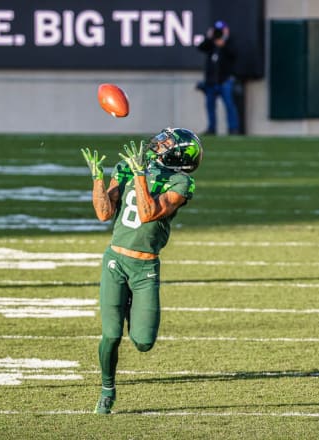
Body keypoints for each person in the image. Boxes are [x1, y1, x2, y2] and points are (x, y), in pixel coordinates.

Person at [81, 127, 203, 414]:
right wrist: (98, 179)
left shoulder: (181, 182)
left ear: (178, 155)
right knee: (111, 335)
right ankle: (107, 389)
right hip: (115, 262)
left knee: (144, 342)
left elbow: (148, 213)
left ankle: (133, 304)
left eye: (166, 144)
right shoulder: (127, 167)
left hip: (145, 266)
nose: (158, 145)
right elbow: (103, 213)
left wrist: (139, 177)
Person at [197, 20, 240, 135]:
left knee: (229, 105)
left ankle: (233, 128)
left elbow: (235, 54)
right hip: (211, 81)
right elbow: (200, 47)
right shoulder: (210, 44)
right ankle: (212, 128)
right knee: (210, 106)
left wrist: (224, 43)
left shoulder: (230, 42)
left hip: (224, 80)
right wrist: (209, 37)